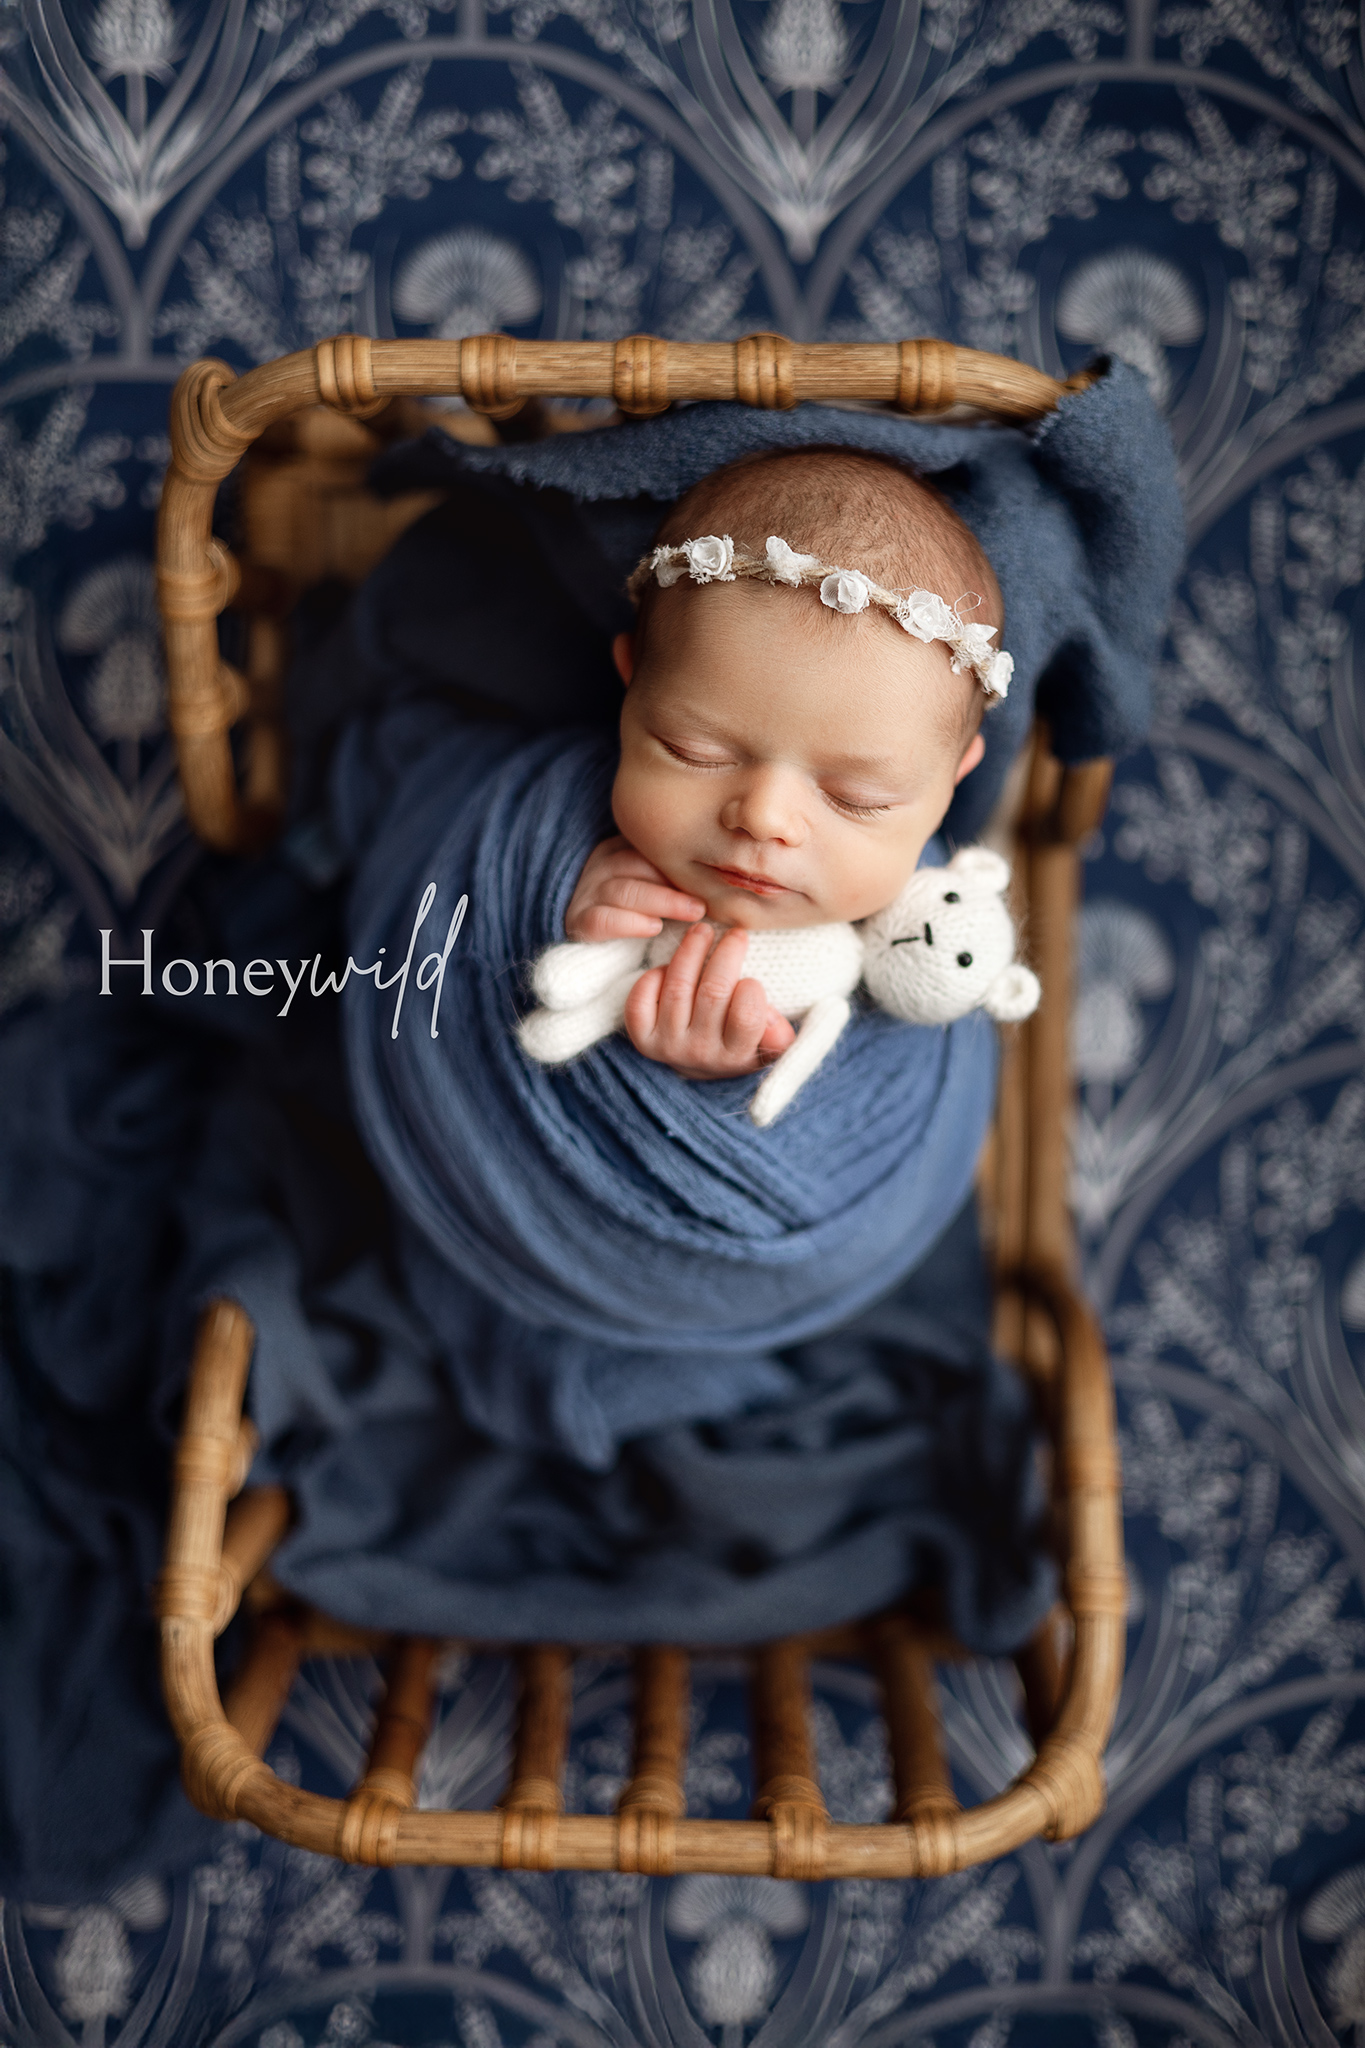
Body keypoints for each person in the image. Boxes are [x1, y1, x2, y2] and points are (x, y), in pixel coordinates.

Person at [557, 446, 1005, 1082]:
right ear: (630, 687)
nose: (764, 819)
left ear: (951, 783)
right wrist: (564, 908)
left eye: (857, 798)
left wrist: (717, 1069)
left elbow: (874, 1128)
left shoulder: (937, 937)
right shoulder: (564, 822)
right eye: (695, 753)